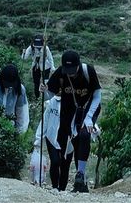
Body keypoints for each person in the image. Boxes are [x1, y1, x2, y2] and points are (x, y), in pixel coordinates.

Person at [44, 49, 102, 193]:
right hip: (68, 112)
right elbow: (49, 94)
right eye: (67, 69)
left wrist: (89, 119)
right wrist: (43, 90)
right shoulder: (61, 73)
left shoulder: (88, 71)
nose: (70, 72)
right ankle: (63, 187)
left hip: (88, 109)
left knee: (83, 135)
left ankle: (81, 175)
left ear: (78, 64)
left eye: (72, 69)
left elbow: (97, 96)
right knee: (66, 145)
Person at [21, 34, 55, 101]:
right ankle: (37, 98)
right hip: (35, 66)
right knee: (36, 83)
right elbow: (24, 58)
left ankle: (46, 98)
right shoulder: (31, 48)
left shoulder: (46, 48)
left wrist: (52, 67)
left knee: (45, 82)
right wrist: (23, 53)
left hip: (45, 65)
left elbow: (50, 58)